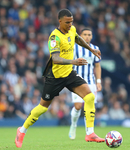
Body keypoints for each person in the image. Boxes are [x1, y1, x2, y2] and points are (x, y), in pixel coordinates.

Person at [15, 9, 105, 148]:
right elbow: (55, 59)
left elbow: (77, 38)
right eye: (67, 22)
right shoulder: (54, 37)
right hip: (55, 77)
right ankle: (21, 131)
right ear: (60, 21)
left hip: (69, 74)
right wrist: (74, 62)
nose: (70, 25)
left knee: (89, 97)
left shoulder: (72, 29)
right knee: (43, 108)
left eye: (72, 22)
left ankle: (90, 133)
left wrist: (91, 50)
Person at [68, 28, 102, 140]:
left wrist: (98, 81)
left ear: (92, 36)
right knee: (78, 106)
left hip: (91, 82)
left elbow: (97, 66)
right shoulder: (73, 47)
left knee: (89, 106)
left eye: (89, 34)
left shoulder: (95, 48)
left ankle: (89, 132)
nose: (87, 36)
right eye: (85, 34)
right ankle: (73, 125)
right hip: (77, 81)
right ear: (80, 36)